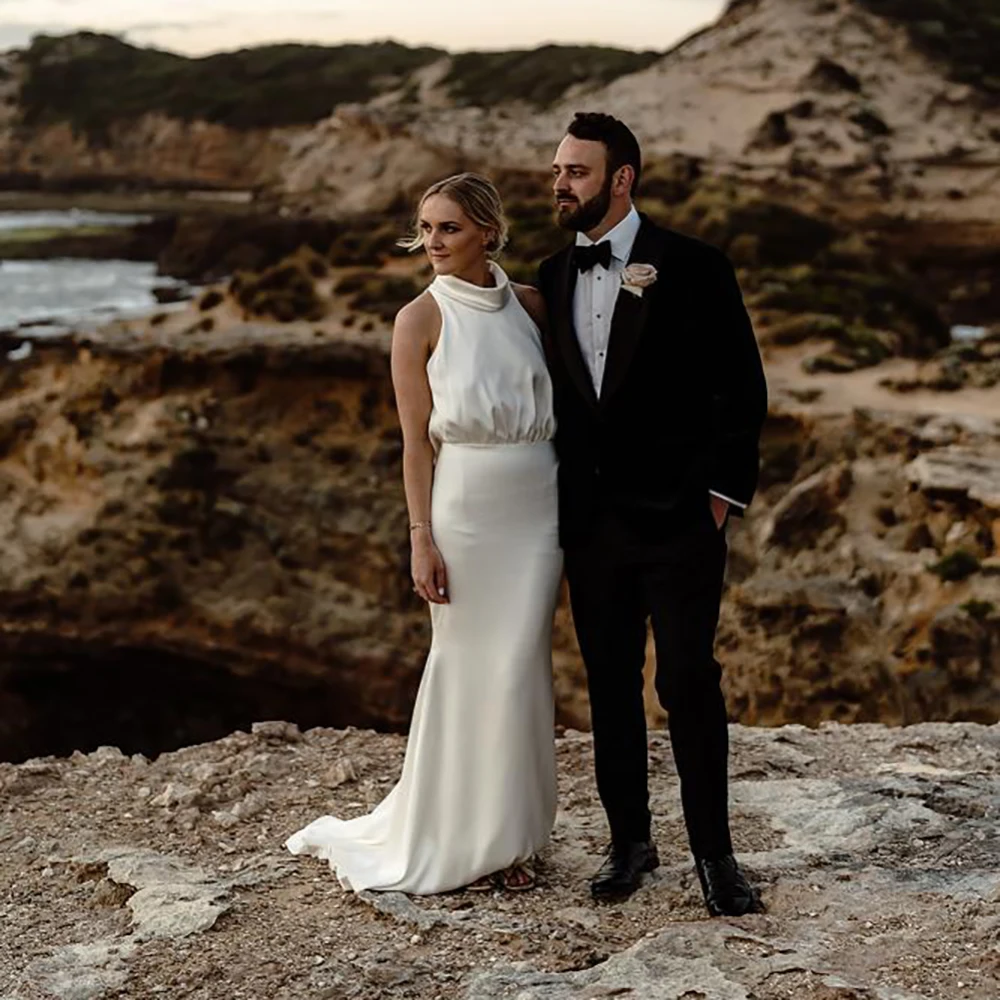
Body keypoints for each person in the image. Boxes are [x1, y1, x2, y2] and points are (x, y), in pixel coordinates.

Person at [284, 173, 562, 895]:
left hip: (539, 507)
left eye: (449, 229)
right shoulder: (418, 318)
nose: (432, 242)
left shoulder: (532, 305)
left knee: (520, 667)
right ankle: (462, 837)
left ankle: (516, 835)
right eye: (426, 228)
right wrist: (420, 537)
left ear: (488, 234)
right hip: (465, 509)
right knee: (468, 665)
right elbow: (415, 445)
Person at [538, 112, 768, 915]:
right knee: (608, 686)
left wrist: (716, 499)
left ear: (621, 178)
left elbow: (740, 390)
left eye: (576, 171)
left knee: (688, 682)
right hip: (592, 526)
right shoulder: (552, 273)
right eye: (558, 169)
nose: (559, 183)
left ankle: (717, 857)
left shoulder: (695, 266)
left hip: (679, 520)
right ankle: (629, 843)